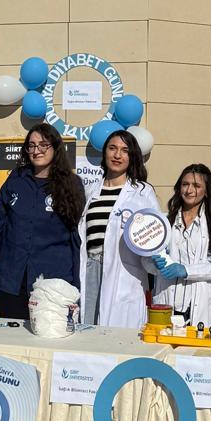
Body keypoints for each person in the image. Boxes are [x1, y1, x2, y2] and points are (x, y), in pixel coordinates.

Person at [0, 124, 84, 321]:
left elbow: (75, 233)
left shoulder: (72, 184)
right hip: (13, 279)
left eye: (43, 145)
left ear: (55, 147)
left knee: (48, 334)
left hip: (52, 281)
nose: (37, 151)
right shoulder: (15, 180)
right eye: (32, 145)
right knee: (12, 335)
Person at [79, 130, 161, 328]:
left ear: (132, 157)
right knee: (88, 329)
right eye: (112, 148)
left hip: (124, 274)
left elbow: (155, 236)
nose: (117, 155)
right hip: (90, 269)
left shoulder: (142, 192)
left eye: (125, 150)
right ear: (104, 152)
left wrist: (157, 260)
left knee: (116, 333)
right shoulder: (91, 191)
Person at [151, 164, 211, 328]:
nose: (189, 190)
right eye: (185, 184)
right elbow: (146, 259)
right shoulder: (164, 222)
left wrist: (187, 271)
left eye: (196, 186)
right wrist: (153, 264)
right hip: (167, 302)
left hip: (199, 308)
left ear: (206, 191)